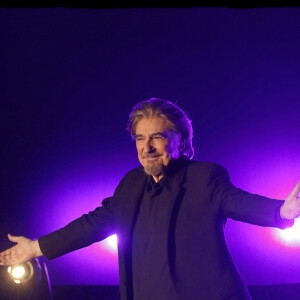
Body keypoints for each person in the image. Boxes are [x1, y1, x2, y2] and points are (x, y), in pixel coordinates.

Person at [0, 98, 299, 300]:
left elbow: (238, 201)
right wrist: (36, 247)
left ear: (180, 139)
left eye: (157, 137)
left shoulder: (204, 178)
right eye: (140, 139)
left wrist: (282, 212)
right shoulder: (130, 185)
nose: (147, 147)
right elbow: (91, 225)